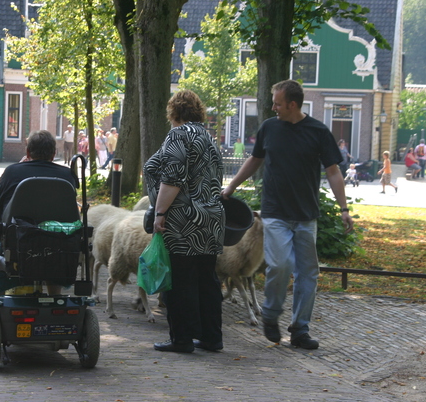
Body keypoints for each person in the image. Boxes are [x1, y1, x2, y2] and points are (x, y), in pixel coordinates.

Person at [221, 80, 353, 350]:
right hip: (275, 213)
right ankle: (271, 313)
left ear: (292, 105)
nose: (273, 107)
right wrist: (232, 186)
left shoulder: (318, 131)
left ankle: (300, 329)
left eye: (277, 103)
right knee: (280, 265)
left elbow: (333, 172)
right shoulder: (270, 127)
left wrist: (344, 209)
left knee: (308, 273)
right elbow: (255, 159)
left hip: (305, 215)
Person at [144, 89, 225, 353]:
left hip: (183, 219)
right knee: (206, 279)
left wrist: (159, 212)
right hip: (211, 219)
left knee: (179, 279)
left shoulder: (179, 135)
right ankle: (211, 337)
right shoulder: (208, 138)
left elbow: (173, 177)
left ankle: (182, 338)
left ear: (173, 112)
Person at [0, 130, 78, 296]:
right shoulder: (67, 175)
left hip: (19, 242)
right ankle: (54, 296)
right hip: (60, 244)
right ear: (54, 153)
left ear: (27, 152)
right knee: (54, 247)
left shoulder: (13, 171)